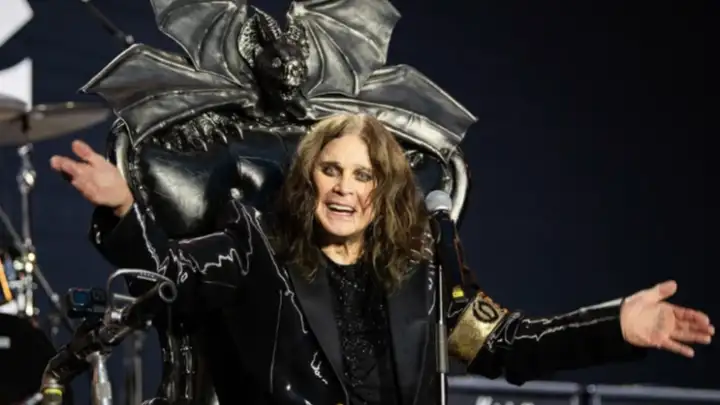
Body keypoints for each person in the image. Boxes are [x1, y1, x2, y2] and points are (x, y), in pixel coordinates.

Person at [50, 113, 713, 405]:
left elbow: (500, 343)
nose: (344, 188)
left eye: (362, 175)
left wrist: (615, 324)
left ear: (384, 190)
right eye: (331, 170)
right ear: (308, 179)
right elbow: (164, 280)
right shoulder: (255, 251)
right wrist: (123, 208)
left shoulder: (424, 268)